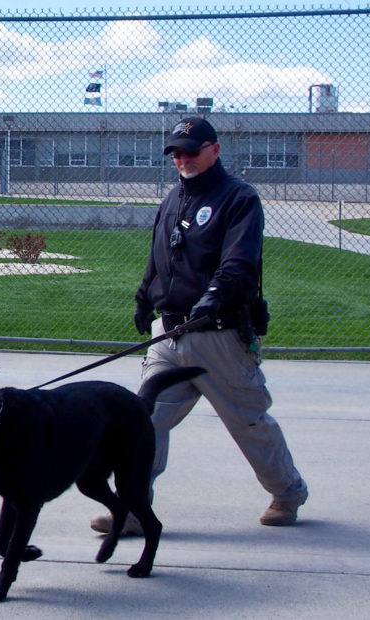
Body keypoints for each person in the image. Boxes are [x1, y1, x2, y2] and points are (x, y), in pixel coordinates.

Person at [91, 117, 308, 535]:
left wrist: (213, 297)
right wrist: (143, 297)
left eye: (192, 150)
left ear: (215, 150)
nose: (183, 159)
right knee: (144, 421)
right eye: (177, 152)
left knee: (248, 421)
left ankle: (288, 493)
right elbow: (159, 259)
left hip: (219, 335)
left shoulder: (239, 199)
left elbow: (239, 262)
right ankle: (134, 510)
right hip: (169, 336)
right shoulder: (172, 199)